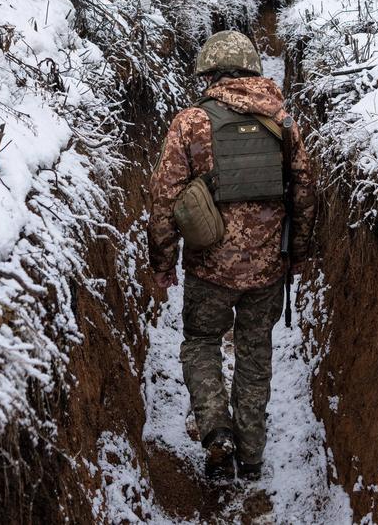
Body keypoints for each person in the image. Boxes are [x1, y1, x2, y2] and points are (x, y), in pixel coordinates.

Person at [147, 30, 316, 482]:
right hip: (267, 270)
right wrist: (297, 256)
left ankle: (215, 431)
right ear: (253, 70)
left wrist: (162, 264)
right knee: (255, 352)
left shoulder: (190, 122)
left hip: (209, 269)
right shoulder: (283, 121)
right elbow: (304, 193)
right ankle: (253, 454)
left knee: (202, 342)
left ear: (210, 73)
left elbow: (164, 199)